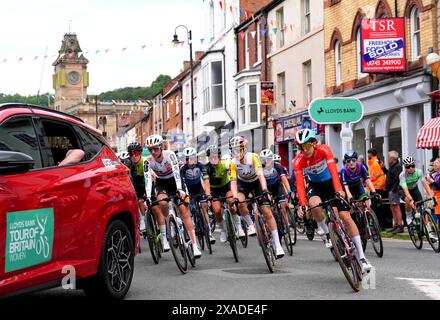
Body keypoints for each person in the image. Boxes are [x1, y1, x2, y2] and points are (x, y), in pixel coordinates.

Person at [293, 128, 372, 273]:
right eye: (301, 147)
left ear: (314, 143)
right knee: (314, 204)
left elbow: (334, 171)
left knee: (345, 217)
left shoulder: (324, 150)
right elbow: (299, 184)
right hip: (316, 186)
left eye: (306, 146)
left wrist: (338, 190)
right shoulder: (298, 160)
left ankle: (362, 256)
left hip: (332, 183)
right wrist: (302, 204)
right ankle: (325, 233)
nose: (304, 150)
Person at [144, 134, 202, 258]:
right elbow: (148, 179)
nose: (153, 152)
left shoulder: (170, 155)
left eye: (155, 149)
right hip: (162, 183)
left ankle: (194, 245)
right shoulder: (148, 161)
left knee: (183, 210)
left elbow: (176, 171)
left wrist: (180, 189)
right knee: (162, 202)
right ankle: (170, 223)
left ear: (161, 147)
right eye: (150, 150)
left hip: (176, 181)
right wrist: (148, 196)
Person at [229, 136, 285, 258]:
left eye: (239, 149)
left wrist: (265, 190)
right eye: (234, 150)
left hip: (257, 183)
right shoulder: (233, 163)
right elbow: (233, 181)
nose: (236, 153)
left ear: (245, 149)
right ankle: (250, 225)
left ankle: (278, 245)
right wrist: (234, 196)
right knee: (240, 202)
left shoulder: (253, 157)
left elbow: (261, 175)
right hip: (243, 184)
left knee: (267, 212)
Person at [204, 144, 241, 243]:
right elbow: (206, 184)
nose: (213, 159)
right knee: (216, 210)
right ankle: (223, 230)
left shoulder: (225, 163)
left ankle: (238, 226)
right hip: (214, 190)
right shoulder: (206, 168)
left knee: (231, 202)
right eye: (211, 157)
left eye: (215, 156)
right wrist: (208, 196)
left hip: (226, 186)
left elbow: (232, 167)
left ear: (219, 157)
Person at [180, 147, 216, 244]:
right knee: (189, 210)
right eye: (187, 158)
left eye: (191, 158)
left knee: (204, 208)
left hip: (199, 188)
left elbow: (206, 180)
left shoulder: (200, 166)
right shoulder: (183, 169)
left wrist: (208, 194)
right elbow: (182, 184)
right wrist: (185, 196)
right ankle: (193, 225)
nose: (189, 161)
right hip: (189, 190)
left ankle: (209, 233)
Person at [400, 156, 437, 240]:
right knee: (407, 200)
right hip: (403, 190)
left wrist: (431, 195)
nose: (411, 168)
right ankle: (408, 216)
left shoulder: (419, 172)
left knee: (422, 208)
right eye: (408, 167)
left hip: (414, 189)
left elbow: (425, 185)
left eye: (412, 166)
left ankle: (429, 232)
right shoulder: (402, 175)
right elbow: (406, 191)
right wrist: (411, 200)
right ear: (405, 167)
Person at [260, 149, 293, 225]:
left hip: (277, 186)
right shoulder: (260, 168)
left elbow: (284, 179)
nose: (266, 162)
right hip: (267, 188)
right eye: (264, 160)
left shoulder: (277, 166)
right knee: (268, 208)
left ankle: (286, 224)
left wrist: (289, 190)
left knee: (283, 205)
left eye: (268, 159)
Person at [125, 142, 147, 233]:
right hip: (137, 186)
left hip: (147, 183)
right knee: (139, 201)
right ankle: (142, 221)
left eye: (136, 153)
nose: (134, 156)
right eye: (131, 154)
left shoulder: (145, 161)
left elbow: (152, 177)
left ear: (140, 153)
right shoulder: (129, 163)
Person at [384, 151, 404, 234]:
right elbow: (390, 175)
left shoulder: (397, 166)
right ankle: (395, 225)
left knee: (396, 207)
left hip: (394, 190)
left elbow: (397, 179)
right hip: (391, 189)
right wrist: (383, 168)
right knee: (392, 207)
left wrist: (394, 189)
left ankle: (400, 225)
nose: (388, 159)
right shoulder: (393, 166)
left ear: (392, 158)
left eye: (389, 157)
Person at [427, 158, 440, 227]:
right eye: (434, 163)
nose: (434, 164)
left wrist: (432, 181)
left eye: (436, 163)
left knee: (439, 215)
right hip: (435, 196)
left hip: (439, 195)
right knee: (437, 214)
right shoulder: (436, 174)